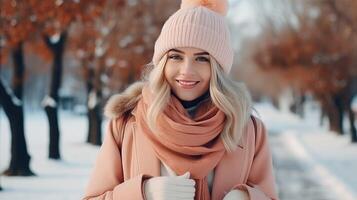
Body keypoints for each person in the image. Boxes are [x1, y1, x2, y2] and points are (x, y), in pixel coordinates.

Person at [82, 0, 278, 199]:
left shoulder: (248, 130)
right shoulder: (126, 125)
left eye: (202, 59)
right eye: (176, 56)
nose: (187, 71)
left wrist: (247, 197)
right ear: (162, 62)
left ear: (218, 68)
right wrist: (143, 193)